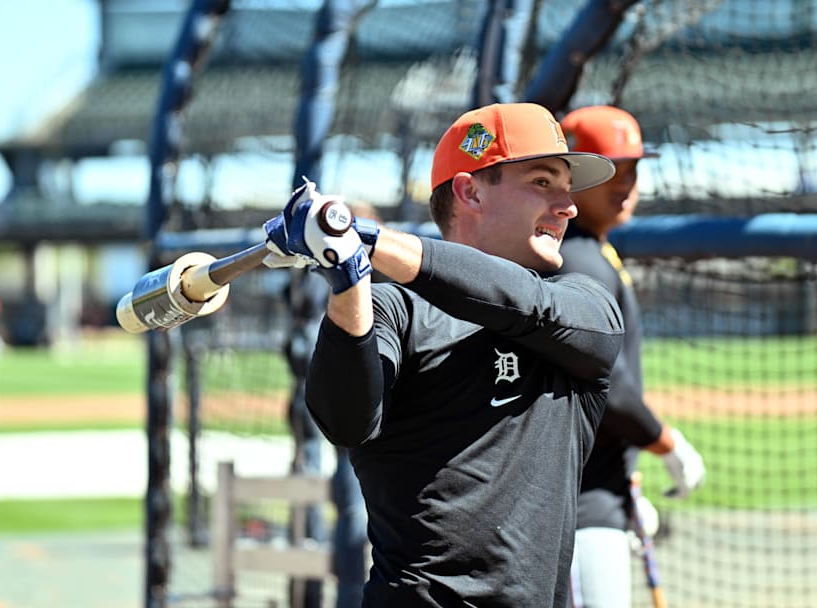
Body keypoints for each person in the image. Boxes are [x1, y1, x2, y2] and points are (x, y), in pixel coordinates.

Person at [263, 102, 625, 607]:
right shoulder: (392, 311)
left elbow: (525, 303)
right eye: (543, 182)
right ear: (469, 191)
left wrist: (363, 236)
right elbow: (345, 421)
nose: (569, 206)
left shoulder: (583, 305)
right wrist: (347, 277)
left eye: (567, 187)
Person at [557, 105, 707, 608]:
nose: (626, 183)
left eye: (634, 169)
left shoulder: (590, 253)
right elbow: (609, 386)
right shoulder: (577, 261)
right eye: (611, 171)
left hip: (598, 496)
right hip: (579, 509)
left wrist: (626, 485)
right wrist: (668, 444)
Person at [283, 201, 382, 608]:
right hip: (339, 403)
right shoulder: (322, 272)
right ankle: (346, 598)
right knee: (352, 510)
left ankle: (341, 595)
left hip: (340, 400)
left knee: (351, 508)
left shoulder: (364, 270)